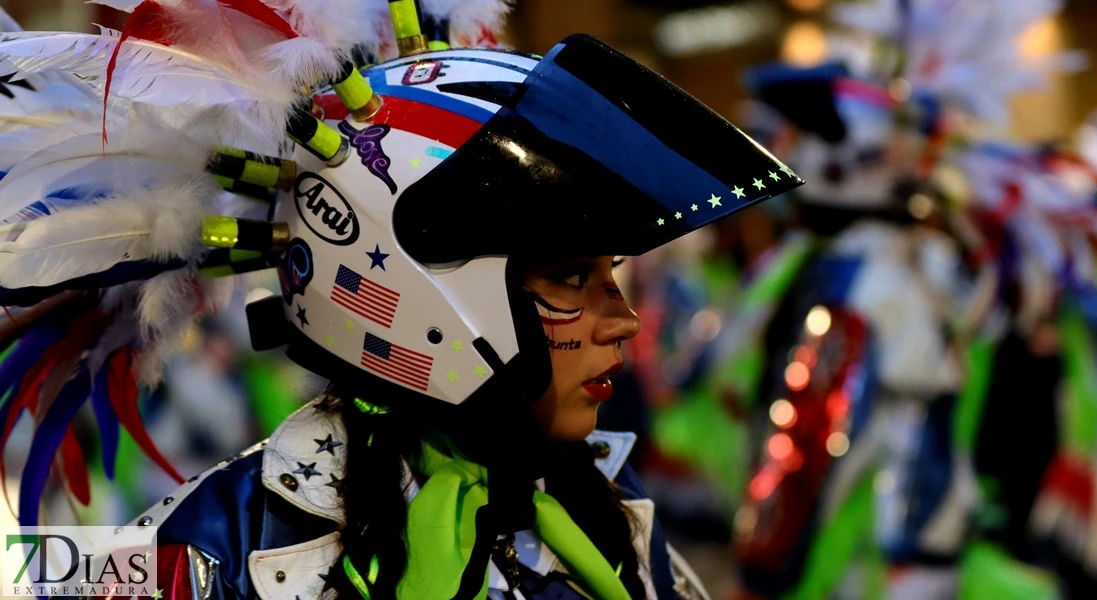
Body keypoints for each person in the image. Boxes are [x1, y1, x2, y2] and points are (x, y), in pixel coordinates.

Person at [0, 1, 801, 598]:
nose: (622, 318)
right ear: (422, 292)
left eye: (611, 273)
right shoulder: (216, 544)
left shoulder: (605, 511)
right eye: (571, 280)